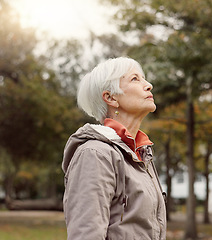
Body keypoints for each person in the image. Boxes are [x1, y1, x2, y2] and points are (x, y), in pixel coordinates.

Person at [62, 57, 167, 239]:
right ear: (110, 97)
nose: (148, 85)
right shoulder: (95, 154)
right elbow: (86, 234)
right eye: (135, 79)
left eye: (144, 78)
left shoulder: (142, 154)